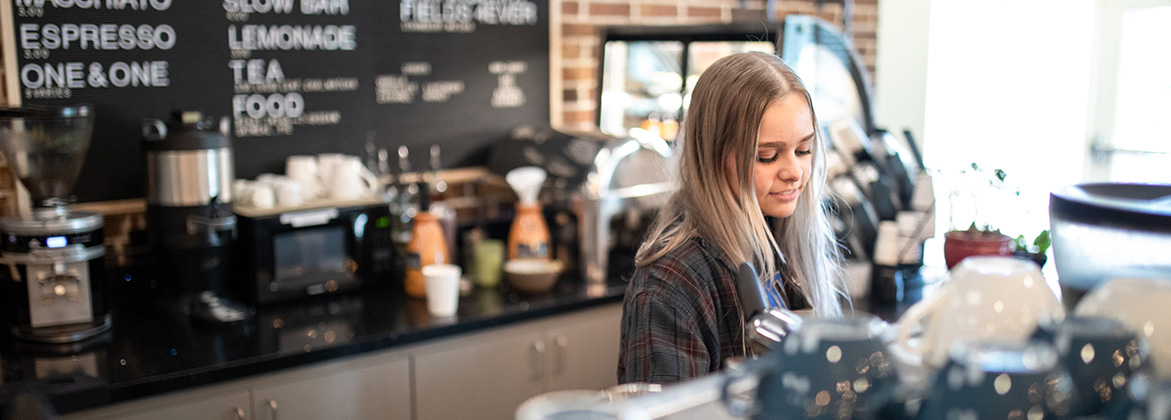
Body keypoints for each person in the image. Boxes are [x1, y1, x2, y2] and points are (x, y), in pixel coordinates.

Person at [617, 51, 847, 384]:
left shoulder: (780, 241)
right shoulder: (669, 286)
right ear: (712, 157)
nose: (795, 172)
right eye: (767, 156)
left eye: (804, 150)